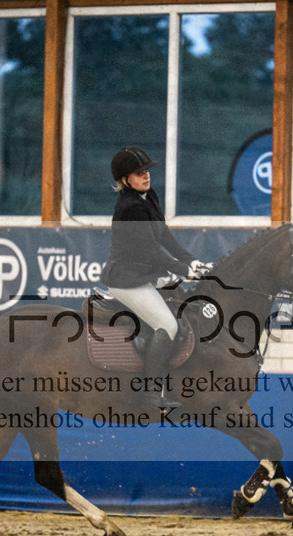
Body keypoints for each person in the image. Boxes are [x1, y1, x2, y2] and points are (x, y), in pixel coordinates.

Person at [100, 146, 210, 409]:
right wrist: (183, 270)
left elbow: (163, 235)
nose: (146, 175)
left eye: (147, 171)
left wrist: (190, 260)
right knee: (167, 325)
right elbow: (150, 251)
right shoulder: (129, 208)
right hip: (127, 280)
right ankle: (151, 393)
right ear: (125, 180)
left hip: (144, 275)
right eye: (139, 173)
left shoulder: (149, 196)